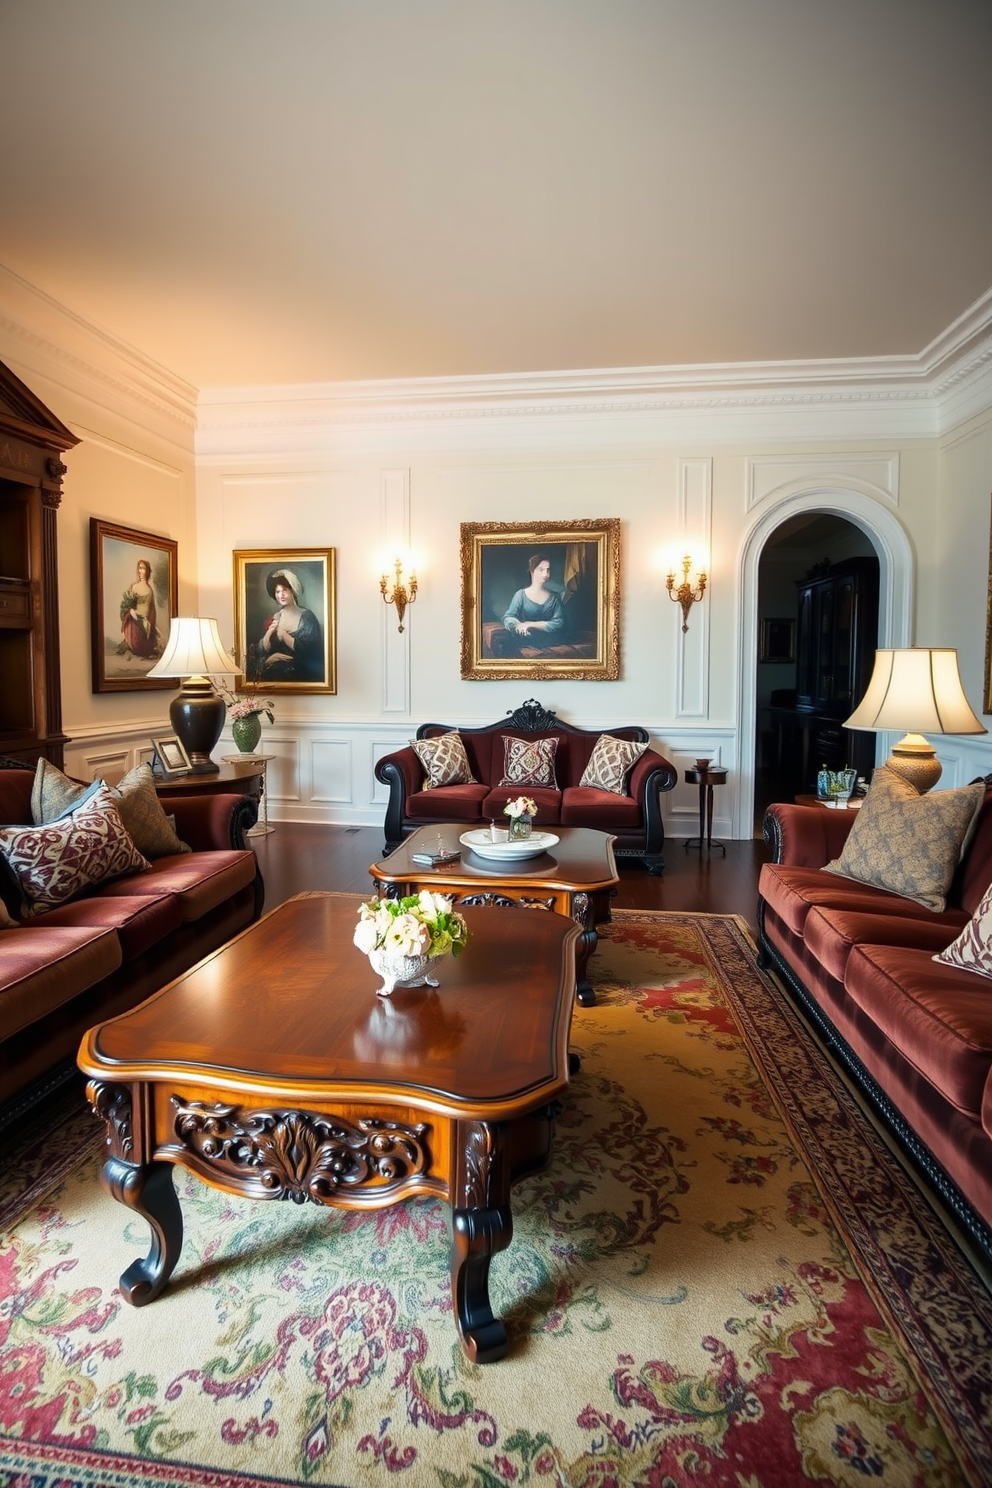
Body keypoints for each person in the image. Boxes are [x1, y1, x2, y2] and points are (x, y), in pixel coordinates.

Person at [253, 568, 323, 682]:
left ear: (293, 591)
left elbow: (311, 651)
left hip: (302, 677)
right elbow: (259, 654)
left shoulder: (307, 617)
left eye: (285, 590)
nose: (281, 595)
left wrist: (284, 635)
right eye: (278, 592)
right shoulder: (273, 619)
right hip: (273, 679)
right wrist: (270, 659)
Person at [501, 554, 566, 648]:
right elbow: (509, 617)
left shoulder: (555, 598)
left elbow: (559, 623)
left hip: (551, 643)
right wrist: (519, 625)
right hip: (525, 643)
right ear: (532, 571)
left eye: (548, 570)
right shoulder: (520, 595)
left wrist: (531, 624)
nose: (546, 574)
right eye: (541, 570)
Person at [120, 558, 159, 658]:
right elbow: (128, 605)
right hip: (135, 618)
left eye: (143, 568)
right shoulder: (134, 587)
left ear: (147, 571)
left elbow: (152, 609)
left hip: (145, 620)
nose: (140, 571)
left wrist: (150, 622)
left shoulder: (150, 590)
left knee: (147, 641)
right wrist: (131, 611)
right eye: (139, 568)